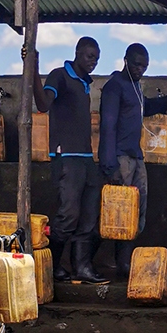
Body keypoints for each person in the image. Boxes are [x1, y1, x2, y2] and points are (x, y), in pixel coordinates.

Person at [99, 43, 167, 276]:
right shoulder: (115, 87)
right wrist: (109, 164)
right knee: (118, 213)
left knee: (136, 209)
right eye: (136, 64)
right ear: (125, 60)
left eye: (144, 66)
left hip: (135, 156)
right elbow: (107, 126)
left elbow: (149, 107)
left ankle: (124, 261)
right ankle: (113, 262)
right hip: (120, 158)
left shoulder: (135, 87)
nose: (140, 69)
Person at [31, 36, 108, 284]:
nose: (93, 62)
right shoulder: (59, 76)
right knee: (68, 216)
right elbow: (43, 104)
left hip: (86, 158)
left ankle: (82, 267)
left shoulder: (85, 82)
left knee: (89, 215)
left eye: (96, 58)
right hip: (66, 158)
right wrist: (32, 69)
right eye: (89, 56)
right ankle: (53, 266)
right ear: (77, 52)